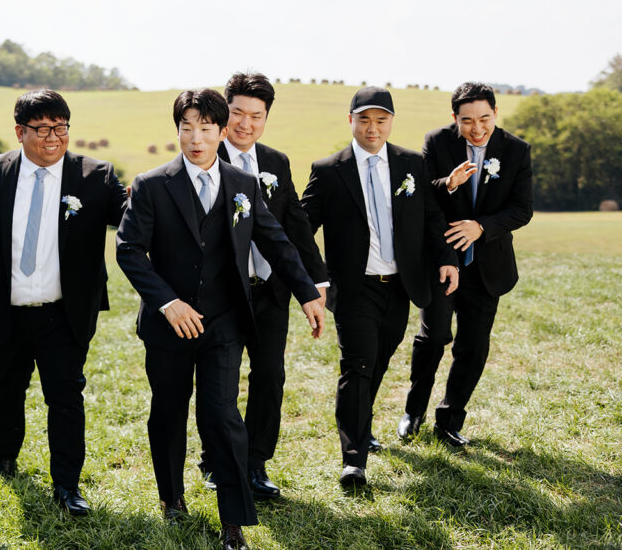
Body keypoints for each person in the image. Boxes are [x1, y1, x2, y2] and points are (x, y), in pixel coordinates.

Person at [116, 88, 325, 550]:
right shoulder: (152, 185)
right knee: (168, 411)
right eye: (187, 128)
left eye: (206, 128)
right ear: (177, 131)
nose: (196, 138)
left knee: (223, 415)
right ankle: (172, 500)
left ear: (221, 131)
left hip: (224, 322)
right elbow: (129, 250)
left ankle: (233, 521)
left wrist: (308, 290)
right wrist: (167, 303)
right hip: (169, 325)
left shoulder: (243, 184)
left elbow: (276, 241)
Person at [0, 89, 128, 516]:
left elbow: (131, 217)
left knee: (66, 396)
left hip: (65, 311)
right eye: (41, 129)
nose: (52, 138)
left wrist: (149, 196)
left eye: (60, 127)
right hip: (5, 307)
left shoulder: (95, 175)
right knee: (6, 389)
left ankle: (67, 486)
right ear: (20, 131)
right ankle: (4, 461)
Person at [301, 85, 458, 489]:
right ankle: (353, 460)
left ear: (391, 122)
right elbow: (302, 228)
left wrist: (446, 258)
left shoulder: (411, 163)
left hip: (400, 286)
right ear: (350, 121)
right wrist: (314, 278)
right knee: (357, 366)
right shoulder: (328, 170)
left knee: (378, 360)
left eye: (381, 120)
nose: (373, 128)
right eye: (365, 120)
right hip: (354, 288)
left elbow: (431, 216)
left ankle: (362, 423)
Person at [197, 72, 328, 500]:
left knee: (270, 375)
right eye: (238, 113)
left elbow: (295, 225)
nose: (245, 124)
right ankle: (216, 461)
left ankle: (255, 463)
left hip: (270, 289)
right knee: (220, 381)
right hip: (222, 294)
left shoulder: (276, 162)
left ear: (266, 118)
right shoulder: (205, 155)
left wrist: (315, 282)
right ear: (225, 113)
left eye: (256, 116)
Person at [398, 82, 533, 447]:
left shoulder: (517, 150)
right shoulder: (437, 142)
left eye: (484, 119)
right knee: (433, 337)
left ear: (496, 113)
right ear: (454, 117)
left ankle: (449, 420)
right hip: (442, 260)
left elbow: (522, 209)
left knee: (473, 347)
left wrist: (482, 227)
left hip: (488, 265)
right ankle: (413, 412)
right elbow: (423, 195)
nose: (477, 128)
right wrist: (449, 184)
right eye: (468, 120)